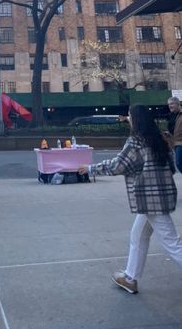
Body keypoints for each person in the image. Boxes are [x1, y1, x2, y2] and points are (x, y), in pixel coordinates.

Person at [78, 104, 182, 294]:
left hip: (150, 198)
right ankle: (130, 278)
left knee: (171, 243)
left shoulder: (136, 141)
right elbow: (172, 167)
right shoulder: (160, 139)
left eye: (129, 116)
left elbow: (119, 165)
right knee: (138, 236)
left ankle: (130, 277)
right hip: (161, 195)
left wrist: (91, 168)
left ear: (136, 119)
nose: (128, 118)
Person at [166, 97, 182, 173]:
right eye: (169, 104)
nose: (170, 106)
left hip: (180, 142)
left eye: (172, 103)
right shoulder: (172, 115)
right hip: (175, 143)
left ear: (178, 104)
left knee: (179, 163)